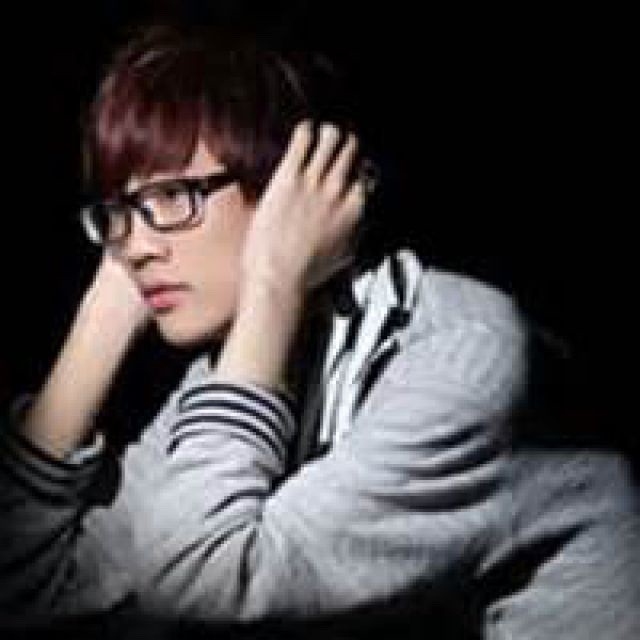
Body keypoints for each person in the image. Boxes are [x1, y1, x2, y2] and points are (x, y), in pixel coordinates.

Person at [1, 21, 638, 639]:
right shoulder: (245, 369)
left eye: (172, 197)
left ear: (298, 188)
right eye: (121, 211)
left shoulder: (460, 357)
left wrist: (273, 277)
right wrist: (100, 325)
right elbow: (34, 595)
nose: (136, 247)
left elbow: (197, 580)